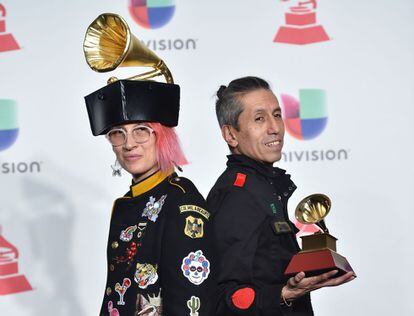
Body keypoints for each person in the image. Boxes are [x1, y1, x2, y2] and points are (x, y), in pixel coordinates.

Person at [207, 76, 355, 316]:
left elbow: (266, 270)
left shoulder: (263, 184)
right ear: (231, 135)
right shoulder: (238, 195)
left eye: (276, 115)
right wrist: (283, 294)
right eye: (259, 118)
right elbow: (224, 295)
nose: (274, 127)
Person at [84, 79, 215, 315]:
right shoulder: (127, 202)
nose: (129, 144)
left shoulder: (182, 200)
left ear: (162, 137)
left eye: (141, 131)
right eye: (118, 134)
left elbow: (191, 298)